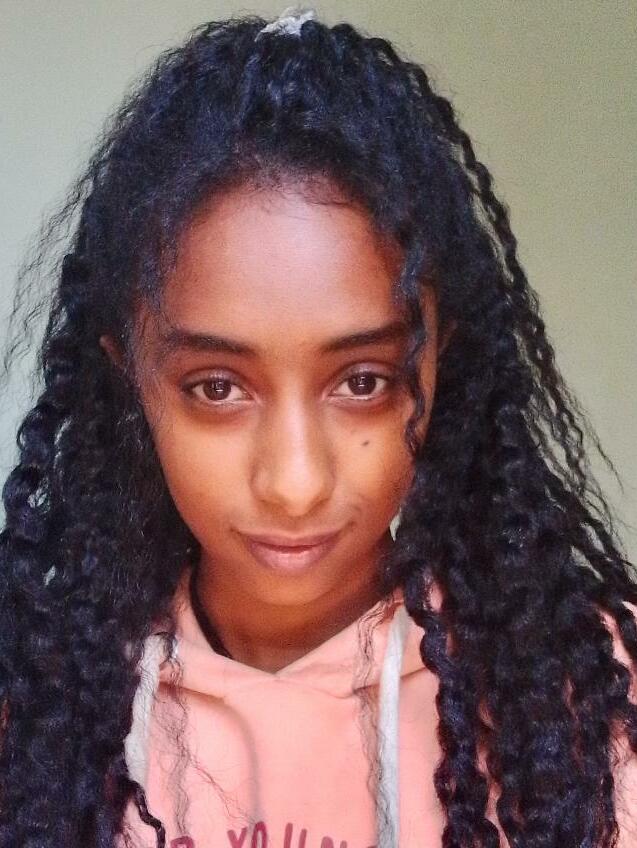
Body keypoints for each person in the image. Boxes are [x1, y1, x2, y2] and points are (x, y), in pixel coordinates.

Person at [1, 6, 635, 848]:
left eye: (362, 382)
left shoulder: (581, 701)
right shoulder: (33, 705)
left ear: (437, 366)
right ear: (131, 379)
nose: (295, 483)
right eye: (217, 387)